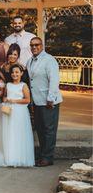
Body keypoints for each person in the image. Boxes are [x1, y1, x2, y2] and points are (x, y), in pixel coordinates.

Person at [27, 37, 63, 167]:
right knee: (41, 129)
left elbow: (54, 80)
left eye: (36, 45)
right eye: (32, 45)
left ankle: (48, 158)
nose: (34, 47)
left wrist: (50, 98)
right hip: (37, 101)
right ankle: (43, 155)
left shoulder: (49, 60)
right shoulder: (29, 61)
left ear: (42, 45)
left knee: (49, 129)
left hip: (48, 101)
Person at [1, 63, 35, 167]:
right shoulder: (8, 85)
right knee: (10, 133)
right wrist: (5, 99)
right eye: (13, 72)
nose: (14, 74)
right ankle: (10, 157)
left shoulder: (23, 85)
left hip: (20, 112)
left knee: (19, 134)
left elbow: (27, 100)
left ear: (21, 73)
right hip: (9, 112)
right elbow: (4, 97)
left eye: (17, 72)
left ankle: (19, 157)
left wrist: (14, 101)